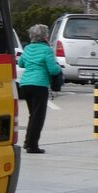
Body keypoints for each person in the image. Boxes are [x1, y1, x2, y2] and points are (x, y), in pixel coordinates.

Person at [17, 23, 62, 154]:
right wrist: (59, 69)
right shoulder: (47, 50)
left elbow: (21, 63)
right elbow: (53, 70)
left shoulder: (27, 48)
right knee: (38, 116)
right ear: (44, 37)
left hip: (25, 84)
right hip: (39, 85)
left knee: (33, 115)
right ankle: (32, 145)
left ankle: (27, 142)